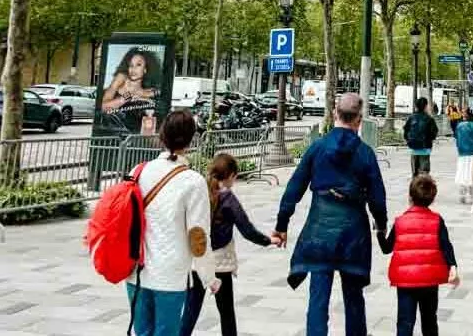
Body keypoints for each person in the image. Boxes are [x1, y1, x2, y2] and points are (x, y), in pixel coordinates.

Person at [272, 93, 387, 336]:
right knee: (354, 296)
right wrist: (381, 224)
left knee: (318, 297)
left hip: (320, 228)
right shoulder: (365, 153)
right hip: (354, 230)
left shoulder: (318, 148)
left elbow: (294, 188)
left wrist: (282, 224)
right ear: (359, 119)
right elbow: (378, 196)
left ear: (335, 113)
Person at [128, 109, 219, 336]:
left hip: (135, 272)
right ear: (191, 140)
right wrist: (209, 277)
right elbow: (198, 236)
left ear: (161, 136)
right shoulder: (193, 181)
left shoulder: (139, 172)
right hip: (170, 275)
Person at [180, 155, 280, 336]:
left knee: (190, 311)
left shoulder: (200, 192)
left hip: (198, 260)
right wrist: (268, 240)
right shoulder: (228, 199)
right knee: (226, 312)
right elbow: (247, 230)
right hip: (220, 262)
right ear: (231, 175)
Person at [377, 174, 460, 336]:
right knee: (429, 320)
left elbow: (387, 248)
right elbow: (446, 246)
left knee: (405, 321)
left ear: (410, 197)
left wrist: (380, 233)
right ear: (432, 198)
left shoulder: (400, 221)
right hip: (430, 280)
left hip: (406, 281)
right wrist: (453, 266)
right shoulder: (437, 220)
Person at [102, 47, 162, 133]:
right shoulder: (120, 80)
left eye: (138, 65)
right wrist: (128, 96)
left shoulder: (150, 92)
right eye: (131, 65)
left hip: (134, 136)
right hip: (113, 134)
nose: (133, 69)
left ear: (145, 69)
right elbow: (103, 107)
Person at [404, 97, 439, 177]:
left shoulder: (411, 117)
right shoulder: (429, 119)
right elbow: (434, 132)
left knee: (415, 173)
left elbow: (406, 131)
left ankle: (415, 187)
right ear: (426, 106)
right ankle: (423, 188)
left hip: (413, 148)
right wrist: (430, 140)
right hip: (425, 148)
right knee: (424, 173)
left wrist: (409, 140)